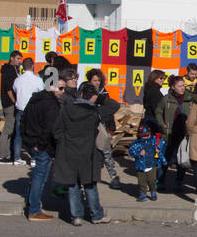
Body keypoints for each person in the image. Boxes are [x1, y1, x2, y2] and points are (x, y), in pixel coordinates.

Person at [51, 82, 110, 225]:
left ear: (80, 94)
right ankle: (96, 215)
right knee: (90, 184)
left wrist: (64, 142)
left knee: (73, 184)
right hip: (88, 152)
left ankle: (76, 216)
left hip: (68, 150)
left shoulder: (66, 109)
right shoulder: (94, 113)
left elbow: (57, 131)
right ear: (93, 96)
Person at [19, 77, 66, 220]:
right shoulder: (51, 104)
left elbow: (22, 119)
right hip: (42, 146)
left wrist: (27, 141)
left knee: (37, 176)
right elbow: (49, 129)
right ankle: (34, 210)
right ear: (51, 87)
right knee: (41, 177)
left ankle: (30, 203)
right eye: (61, 88)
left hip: (32, 142)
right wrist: (40, 145)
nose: (63, 92)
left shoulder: (35, 99)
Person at [87, 69, 122, 188]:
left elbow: (111, 110)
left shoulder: (103, 94)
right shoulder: (85, 92)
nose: (96, 82)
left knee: (106, 152)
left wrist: (111, 127)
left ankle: (114, 177)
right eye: (94, 80)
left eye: (98, 80)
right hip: (89, 126)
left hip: (103, 126)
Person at [156, 74, 191, 193]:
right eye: (180, 86)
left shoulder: (189, 98)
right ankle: (160, 181)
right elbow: (158, 112)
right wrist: (162, 124)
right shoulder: (166, 99)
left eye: (183, 85)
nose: (182, 88)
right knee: (165, 159)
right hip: (169, 134)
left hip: (184, 134)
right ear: (173, 87)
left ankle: (179, 183)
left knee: (182, 160)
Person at [10, 61, 45, 165]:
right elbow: (42, 91)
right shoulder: (37, 80)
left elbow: (15, 90)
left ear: (23, 67)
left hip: (20, 109)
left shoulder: (18, 79)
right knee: (34, 134)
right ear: (33, 66)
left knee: (18, 134)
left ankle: (16, 158)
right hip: (33, 109)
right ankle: (34, 157)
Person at [0, 50, 23, 163]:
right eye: (18, 58)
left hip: (10, 103)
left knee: (10, 129)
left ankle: (6, 153)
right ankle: (2, 155)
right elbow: (9, 90)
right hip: (9, 103)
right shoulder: (9, 70)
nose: (19, 61)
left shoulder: (13, 69)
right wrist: (15, 102)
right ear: (12, 58)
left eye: (20, 59)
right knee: (7, 129)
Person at [127, 124, 163, 201]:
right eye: (143, 136)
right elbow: (131, 151)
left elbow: (162, 143)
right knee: (141, 181)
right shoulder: (136, 143)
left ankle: (153, 192)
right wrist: (138, 153)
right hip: (140, 165)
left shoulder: (154, 141)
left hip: (151, 164)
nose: (145, 137)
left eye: (147, 136)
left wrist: (158, 149)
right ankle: (143, 194)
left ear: (150, 134)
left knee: (152, 180)